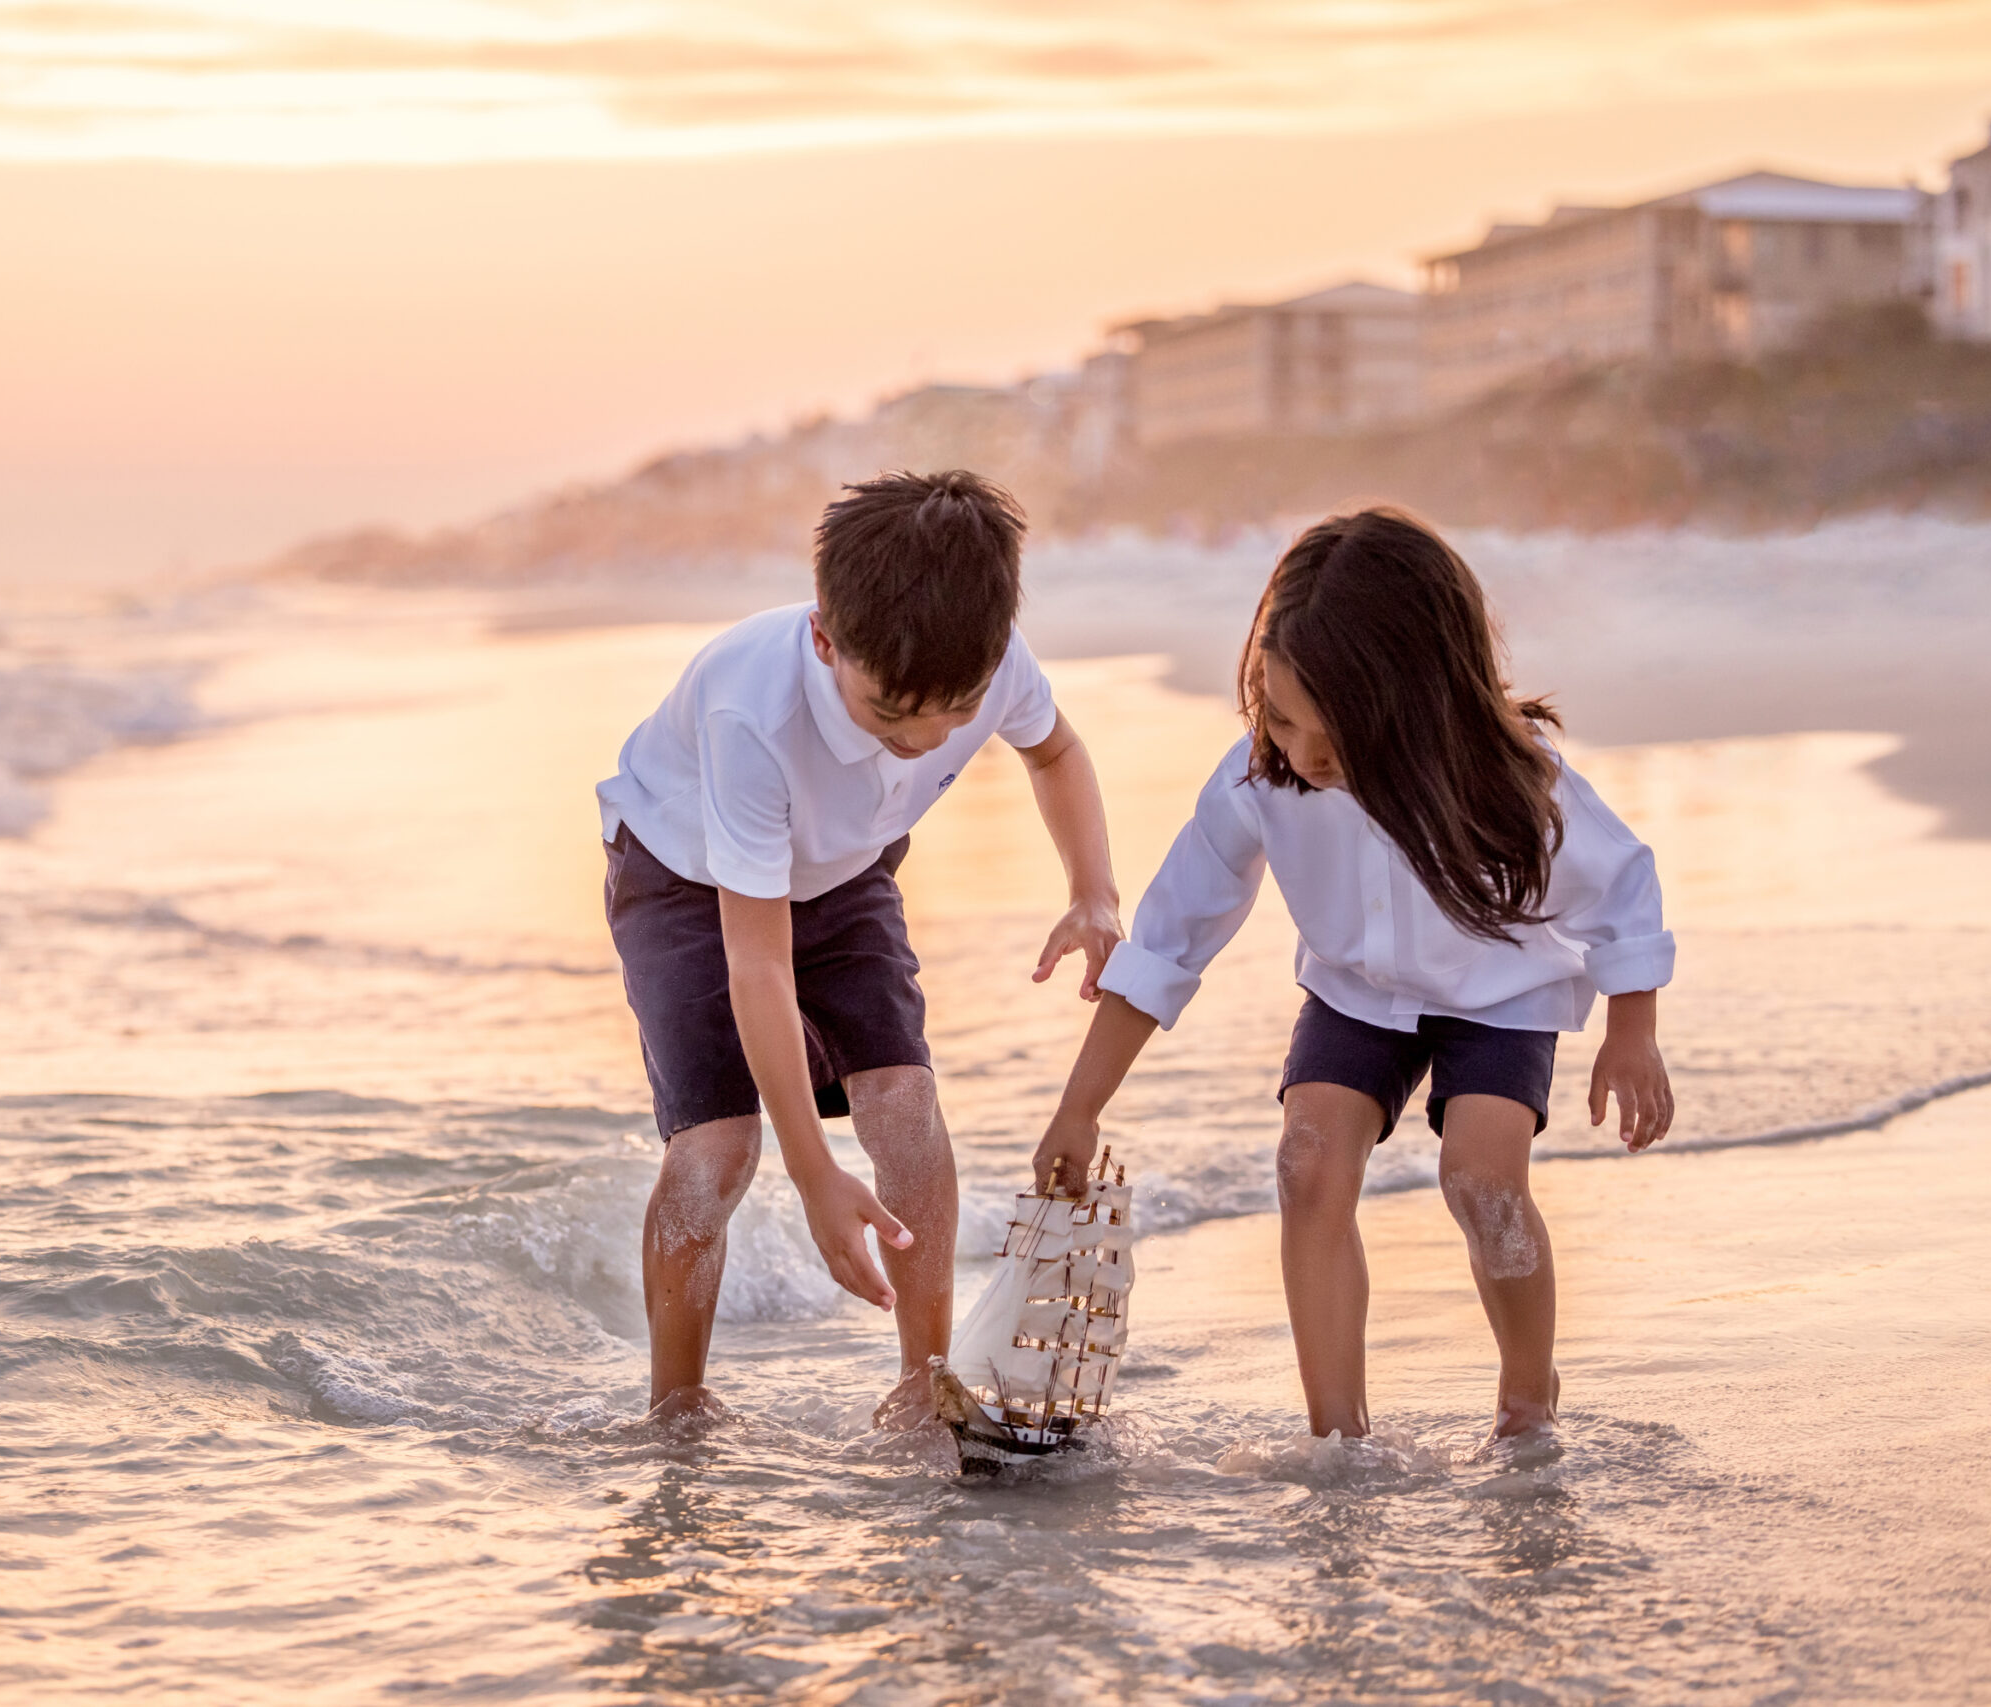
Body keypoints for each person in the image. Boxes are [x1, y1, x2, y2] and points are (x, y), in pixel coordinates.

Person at [1030, 508, 1675, 1441]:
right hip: (1356, 992)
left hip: (1500, 992)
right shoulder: (1259, 781)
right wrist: (1078, 1107)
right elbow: (1168, 942)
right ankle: (1339, 1436)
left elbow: (1622, 886)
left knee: (1480, 1181)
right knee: (1307, 1162)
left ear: (1415, 705)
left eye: (1333, 737)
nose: (1302, 754)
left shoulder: (1511, 779)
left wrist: (1632, 1030)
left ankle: (1528, 1400)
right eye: (1283, 717)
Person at [599, 470, 1121, 1421]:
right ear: (824, 638)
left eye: (954, 710)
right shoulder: (750, 712)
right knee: (717, 1148)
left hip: (843, 866)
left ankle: (924, 1385)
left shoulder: (992, 656)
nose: (923, 738)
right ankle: (675, 1406)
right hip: (684, 875)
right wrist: (813, 1175)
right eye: (889, 711)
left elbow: (1056, 751)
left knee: (906, 1110)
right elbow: (757, 964)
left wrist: (1093, 891)